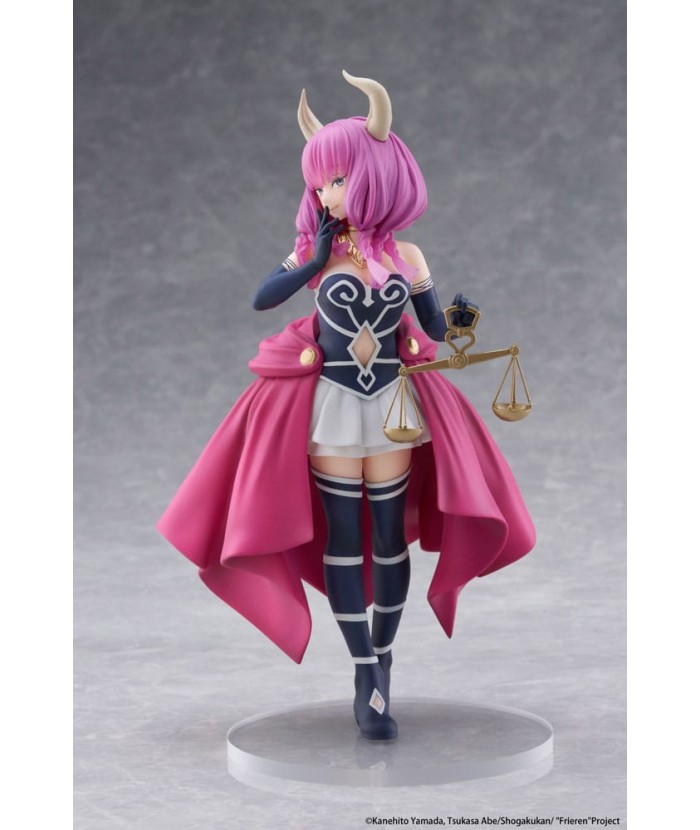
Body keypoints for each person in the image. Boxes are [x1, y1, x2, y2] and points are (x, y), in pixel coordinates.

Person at [158, 72, 535, 742]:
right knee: (343, 535)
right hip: (332, 403)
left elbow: (435, 328)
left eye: (337, 179)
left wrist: (460, 322)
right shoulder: (316, 250)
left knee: (388, 536)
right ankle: (363, 670)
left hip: (392, 405)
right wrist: (313, 261)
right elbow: (263, 297)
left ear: (376, 176)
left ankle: (382, 661)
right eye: (320, 183)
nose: (327, 194)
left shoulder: (407, 255)